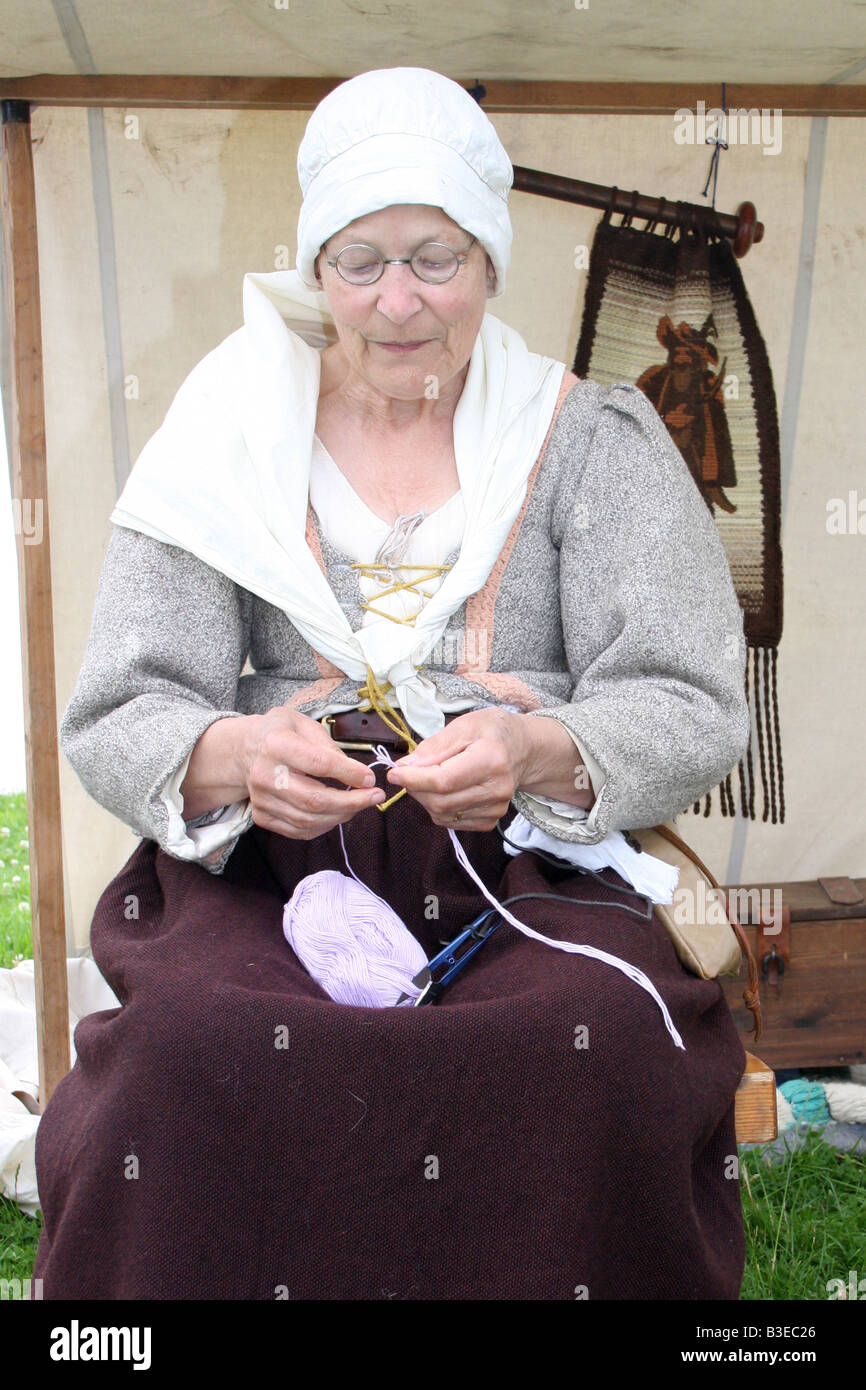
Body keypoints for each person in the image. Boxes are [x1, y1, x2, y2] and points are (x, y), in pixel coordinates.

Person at [33, 67, 751, 1301]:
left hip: (527, 867)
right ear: (314, 268)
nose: (398, 300)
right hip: (278, 870)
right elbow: (122, 706)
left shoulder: (588, 441)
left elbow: (685, 697)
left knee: (591, 1048)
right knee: (184, 1052)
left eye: (435, 257)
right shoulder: (223, 442)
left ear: (489, 259)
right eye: (359, 261)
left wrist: (537, 752)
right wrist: (236, 756)